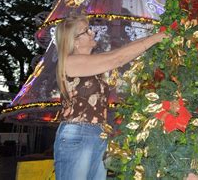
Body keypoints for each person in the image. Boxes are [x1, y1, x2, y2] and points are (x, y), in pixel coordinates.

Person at [53, 14, 167, 180]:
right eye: (86, 31)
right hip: (77, 134)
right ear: (75, 41)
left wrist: (153, 37)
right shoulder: (69, 62)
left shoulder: (91, 63)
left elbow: (119, 53)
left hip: (97, 133)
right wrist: (156, 38)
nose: (92, 33)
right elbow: (117, 58)